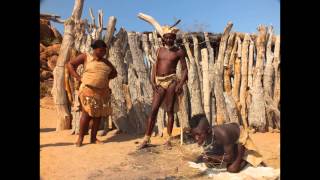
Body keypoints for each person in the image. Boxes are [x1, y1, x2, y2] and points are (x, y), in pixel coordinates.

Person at [137, 25, 188, 149]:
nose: (169, 40)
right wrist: (152, 81)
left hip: (171, 81)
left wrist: (180, 84)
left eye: (171, 38)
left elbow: (185, 69)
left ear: (174, 38)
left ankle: (168, 139)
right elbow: (155, 66)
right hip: (159, 82)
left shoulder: (179, 51)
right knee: (153, 110)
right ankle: (146, 138)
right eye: (167, 38)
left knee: (170, 110)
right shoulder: (159, 50)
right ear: (163, 39)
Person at [67, 40, 117, 147]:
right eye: (101, 50)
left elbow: (114, 72)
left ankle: (93, 138)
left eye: (104, 51)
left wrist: (104, 79)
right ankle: (80, 138)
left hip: (101, 92)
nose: (103, 52)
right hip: (87, 91)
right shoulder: (86, 57)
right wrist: (78, 77)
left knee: (98, 115)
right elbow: (70, 65)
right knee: (86, 113)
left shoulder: (105, 62)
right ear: (94, 49)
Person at [190, 114, 264, 173]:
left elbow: (230, 158)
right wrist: (209, 158)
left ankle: (244, 160)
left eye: (199, 134)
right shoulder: (207, 135)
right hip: (227, 143)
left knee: (232, 169)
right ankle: (232, 151)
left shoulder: (223, 134)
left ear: (208, 130)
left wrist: (213, 157)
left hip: (238, 140)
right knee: (209, 164)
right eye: (194, 135)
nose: (196, 138)